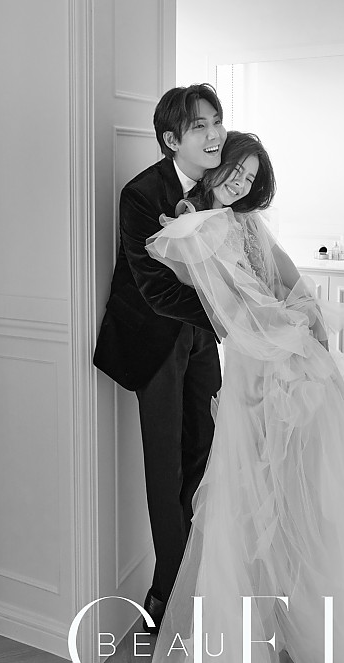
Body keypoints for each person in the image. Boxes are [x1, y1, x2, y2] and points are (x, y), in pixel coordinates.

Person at [139, 131, 344, 663]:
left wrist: (307, 313)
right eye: (233, 170)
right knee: (250, 508)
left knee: (297, 503)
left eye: (250, 175)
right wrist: (291, 327)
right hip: (256, 370)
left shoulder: (246, 222)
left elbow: (286, 277)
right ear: (212, 165)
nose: (240, 182)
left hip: (287, 365)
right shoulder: (197, 229)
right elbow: (234, 309)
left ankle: (297, 652)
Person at [93, 84, 226, 632]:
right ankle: (168, 593)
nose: (215, 134)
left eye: (217, 121)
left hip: (200, 338)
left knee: (204, 453)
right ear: (172, 140)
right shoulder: (142, 194)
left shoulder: (221, 186)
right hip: (154, 340)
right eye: (200, 126)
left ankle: (194, 571)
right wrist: (228, 317)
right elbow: (154, 289)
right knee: (165, 467)